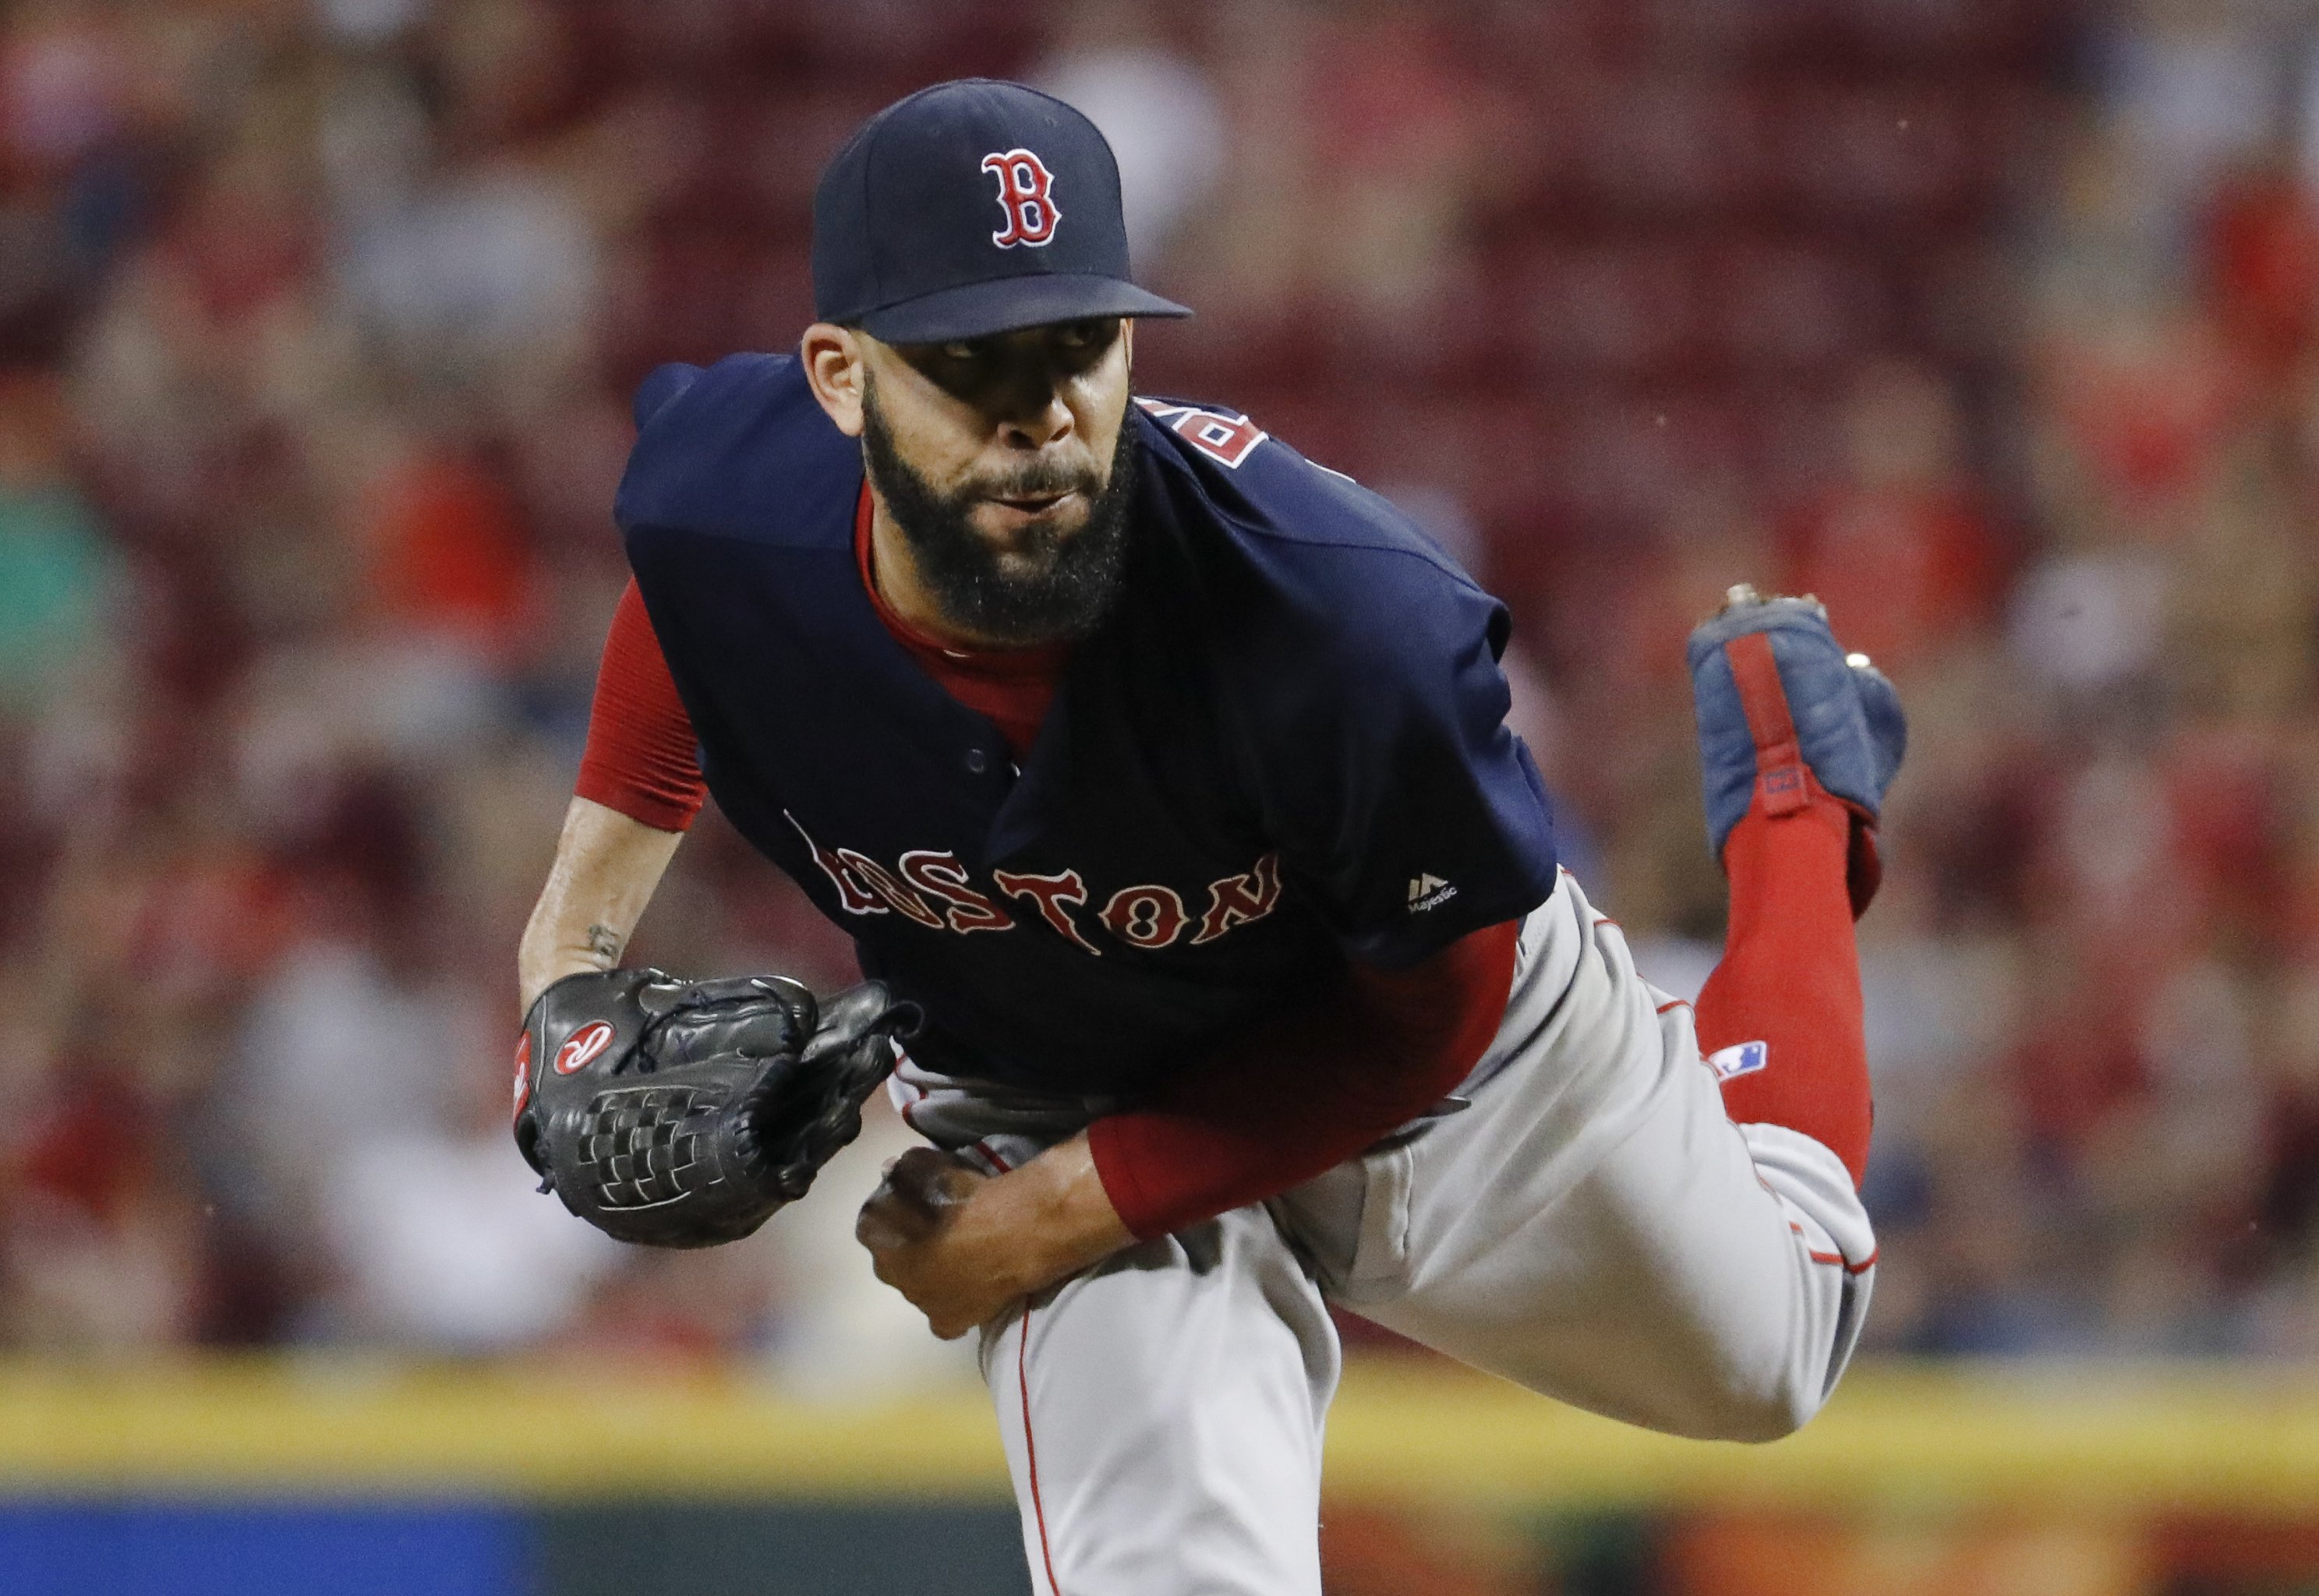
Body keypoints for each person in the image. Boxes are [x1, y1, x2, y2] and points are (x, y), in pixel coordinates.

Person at [517, 78, 1900, 1596]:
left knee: (1776, 1352)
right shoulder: (730, 516)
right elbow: (685, 622)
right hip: (1054, 1080)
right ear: (842, 379)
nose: (1039, 410)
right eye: (972, 357)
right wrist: (563, 986)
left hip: (1439, 1065)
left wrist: (1062, 1203)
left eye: (1077, 346)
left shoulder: (1340, 624)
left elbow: (1428, 1019)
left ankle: (1791, 805)